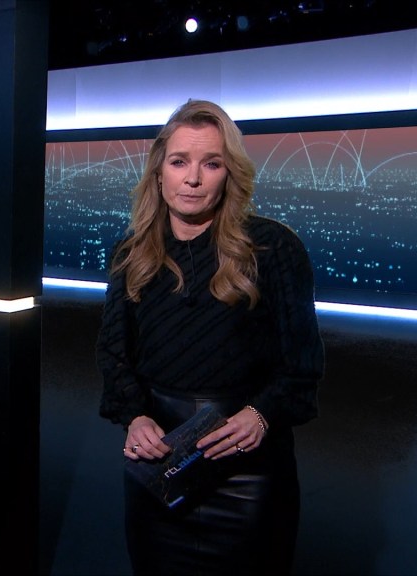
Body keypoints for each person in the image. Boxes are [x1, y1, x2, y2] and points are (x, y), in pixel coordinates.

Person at [96, 99, 325, 575]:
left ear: (229, 174)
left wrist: (261, 414)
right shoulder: (130, 253)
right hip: (162, 464)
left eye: (212, 164)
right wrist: (134, 417)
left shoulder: (274, 248)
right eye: (180, 162)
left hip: (247, 473)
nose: (193, 179)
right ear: (159, 172)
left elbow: (302, 362)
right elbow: (114, 352)